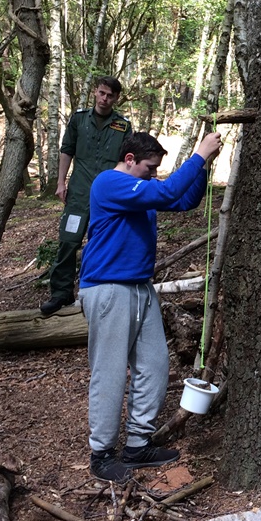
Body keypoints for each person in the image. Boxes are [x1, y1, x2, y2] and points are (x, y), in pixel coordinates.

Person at [80, 130, 222, 483]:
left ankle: (138, 444)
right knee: (110, 373)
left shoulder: (138, 191)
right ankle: (101, 454)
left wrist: (203, 169)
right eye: (149, 168)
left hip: (141, 287)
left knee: (155, 366)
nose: (153, 175)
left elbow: (183, 201)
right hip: (108, 288)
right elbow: (168, 191)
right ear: (129, 160)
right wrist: (199, 155)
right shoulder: (108, 183)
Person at [42, 77, 132, 316]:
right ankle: (61, 293)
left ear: (116, 98)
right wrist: (61, 182)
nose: (105, 99)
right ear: (95, 92)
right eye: (101, 93)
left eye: (110, 95)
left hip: (108, 196)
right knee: (69, 240)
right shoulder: (79, 119)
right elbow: (67, 150)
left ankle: (98, 292)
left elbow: (127, 162)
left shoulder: (123, 126)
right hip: (79, 192)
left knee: (103, 242)